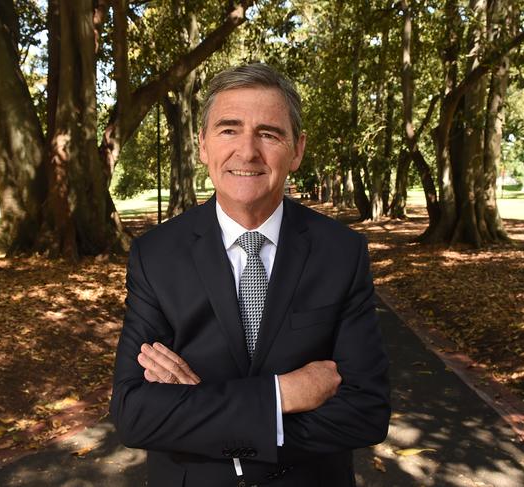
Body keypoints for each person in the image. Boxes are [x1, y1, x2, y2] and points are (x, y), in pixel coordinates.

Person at [110, 63, 390, 487]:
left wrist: (197, 411)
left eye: (269, 133)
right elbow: (135, 413)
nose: (247, 151)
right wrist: (285, 394)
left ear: (296, 149)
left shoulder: (342, 252)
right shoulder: (155, 255)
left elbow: (366, 411)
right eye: (228, 129)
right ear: (202, 145)